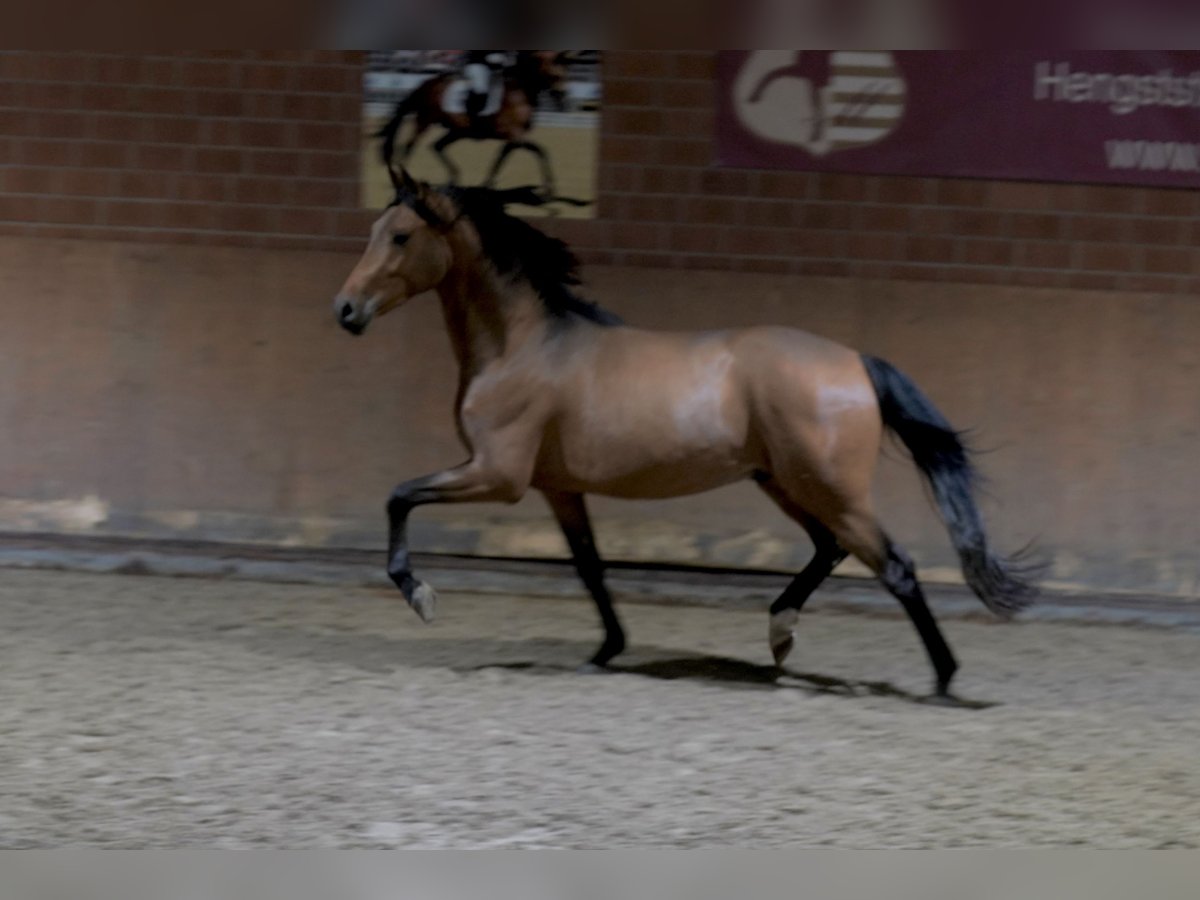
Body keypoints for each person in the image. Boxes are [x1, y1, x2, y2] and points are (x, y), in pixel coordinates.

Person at [463, 51, 511, 123]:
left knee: (496, 92)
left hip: (496, 69)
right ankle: (474, 116)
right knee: (480, 89)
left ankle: (490, 117)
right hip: (477, 65)